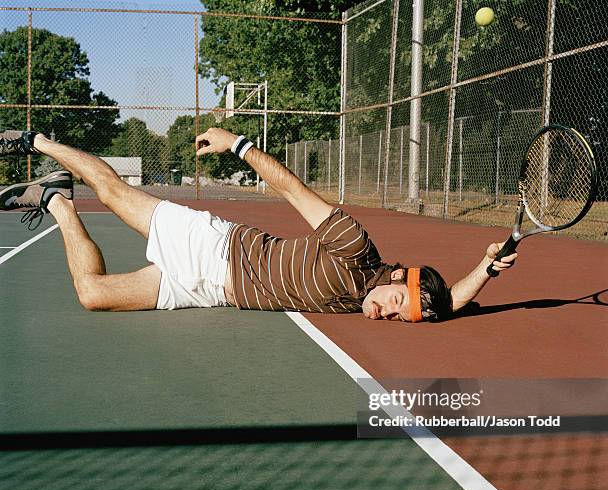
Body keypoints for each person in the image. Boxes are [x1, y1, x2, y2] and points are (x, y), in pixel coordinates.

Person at [0, 128, 516, 321]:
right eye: (394, 305)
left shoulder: (371, 299)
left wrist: (486, 269)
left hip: (208, 292)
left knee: (91, 295)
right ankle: (37, 142)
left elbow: (448, 301)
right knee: (113, 193)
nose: (383, 314)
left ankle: (58, 203)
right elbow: (293, 191)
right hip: (214, 248)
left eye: (396, 317)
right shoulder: (355, 247)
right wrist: (239, 146)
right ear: (398, 279)